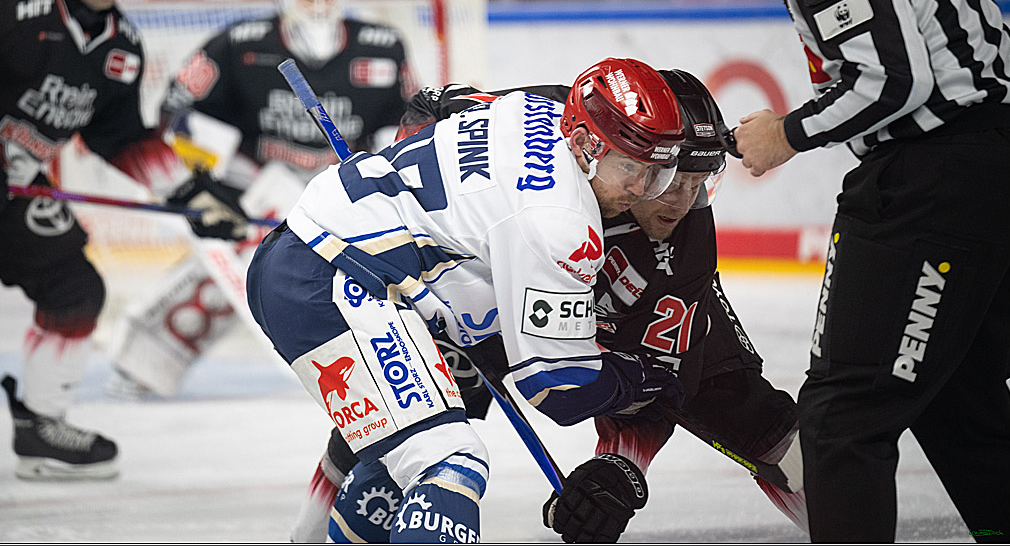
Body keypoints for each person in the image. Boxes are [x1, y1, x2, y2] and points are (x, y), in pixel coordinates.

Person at [288, 73, 810, 544]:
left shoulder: (680, 260)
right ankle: (310, 533)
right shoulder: (567, 122)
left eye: (701, 184)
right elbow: (439, 109)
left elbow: (654, 381)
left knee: (750, 418)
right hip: (473, 292)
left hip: (589, 326)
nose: (678, 200)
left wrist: (618, 470)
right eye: (668, 177)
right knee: (407, 411)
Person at [246, 57, 688, 543]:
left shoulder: (529, 107)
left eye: (657, 172)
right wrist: (643, 380)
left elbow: (432, 114)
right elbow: (559, 387)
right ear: (585, 144)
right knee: (451, 461)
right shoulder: (562, 222)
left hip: (319, 259)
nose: (644, 190)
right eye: (631, 169)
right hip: (334, 283)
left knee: (408, 457)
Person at [702, 0, 1010, 542]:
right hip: (994, 164)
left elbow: (891, 79)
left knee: (841, 417)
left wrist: (787, 133)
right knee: (955, 399)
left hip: (933, 181)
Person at [0, 0, 245, 481]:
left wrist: (193, 200)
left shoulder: (120, 49)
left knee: (74, 288)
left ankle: (41, 425)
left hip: (18, 187)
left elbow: (123, 137)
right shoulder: (12, 6)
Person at [108, 0, 417, 401]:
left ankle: (397, 363)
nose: (318, 5)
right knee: (233, 270)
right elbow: (176, 111)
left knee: (374, 273)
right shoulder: (241, 43)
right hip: (255, 182)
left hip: (340, 188)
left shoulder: (384, 47)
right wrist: (220, 176)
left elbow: (407, 127)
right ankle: (145, 362)